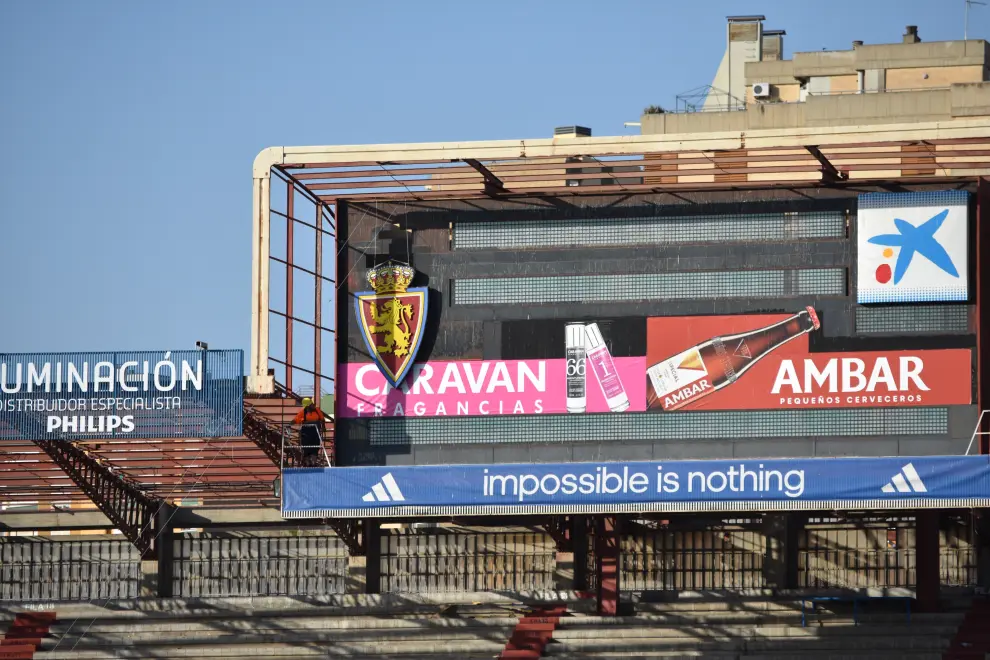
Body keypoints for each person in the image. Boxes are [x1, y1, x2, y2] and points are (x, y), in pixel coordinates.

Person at [292, 397, 325, 466]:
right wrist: (289, 424)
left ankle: (313, 463)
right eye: (311, 404)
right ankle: (307, 463)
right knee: (306, 449)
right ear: (308, 406)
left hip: (315, 433)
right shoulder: (303, 412)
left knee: (315, 448)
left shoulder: (317, 410)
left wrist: (323, 427)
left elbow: (322, 419)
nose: (313, 405)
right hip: (306, 433)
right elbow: (296, 419)